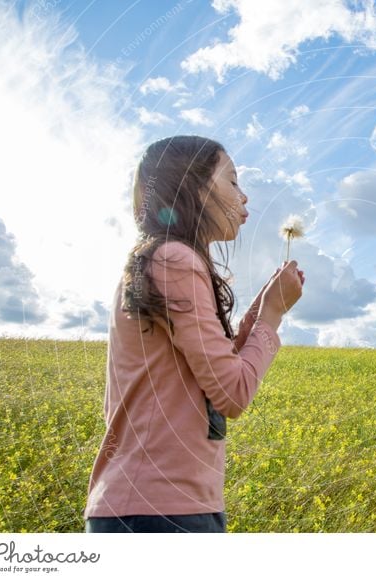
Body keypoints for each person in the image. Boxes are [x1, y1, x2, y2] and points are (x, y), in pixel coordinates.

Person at [83, 135, 305, 533]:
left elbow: (209, 374)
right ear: (196, 188)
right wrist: (272, 315)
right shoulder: (175, 261)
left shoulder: (162, 258)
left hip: (150, 505)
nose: (245, 196)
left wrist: (262, 309)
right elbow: (232, 393)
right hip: (161, 510)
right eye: (233, 181)